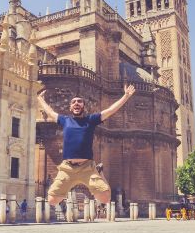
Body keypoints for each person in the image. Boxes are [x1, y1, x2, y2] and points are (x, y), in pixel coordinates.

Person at [37, 84, 136, 213]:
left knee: (106, 198)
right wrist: (39, 99)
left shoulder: (91, 120)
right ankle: (67, 189)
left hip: (87, 167)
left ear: (83, 106)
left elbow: (111, 110)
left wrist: (126, 96)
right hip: (67, 168)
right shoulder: (65, 120)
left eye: (79, 102)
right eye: (74, 102)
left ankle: (99, 172)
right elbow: (50, 112)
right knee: (52, 200)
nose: (76, 103)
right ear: (70, 107)